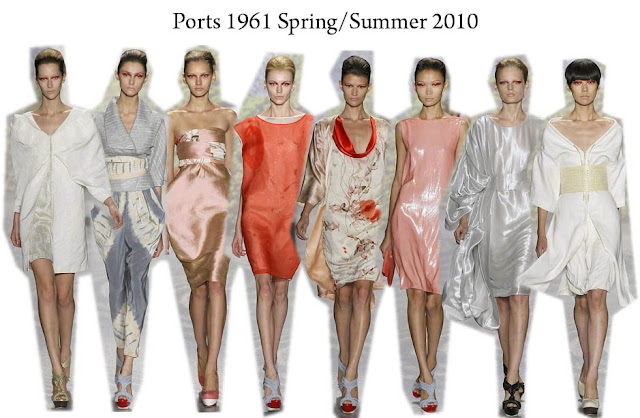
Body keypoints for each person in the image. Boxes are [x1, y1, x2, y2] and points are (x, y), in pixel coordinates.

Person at [517, 59, 632, 416]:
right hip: (567, 219)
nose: (584, 88)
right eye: (578, 82)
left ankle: (592, 379)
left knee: (598, 295)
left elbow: (618, 180)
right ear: (569, 87)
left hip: (603, 220)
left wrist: (619, 226)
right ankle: (587, 364)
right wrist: (541, 231)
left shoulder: (613, 129)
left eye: (590, 82)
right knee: (581, 298)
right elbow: (545, 180)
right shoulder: (555, 129)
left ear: (598, 86)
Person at [9, 48, 122, 408]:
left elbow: (94, 167)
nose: (49, 84)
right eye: (43, 78)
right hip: (35, 216)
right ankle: (58, 375)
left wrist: (108, 201)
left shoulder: (81, 121)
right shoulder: (22, 124)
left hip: (69, 213)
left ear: (63, 77)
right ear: (36, 80)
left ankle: (66, 350)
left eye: (54, 77)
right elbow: (20, 174)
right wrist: (16, 216)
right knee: (44, 291)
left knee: (64, 295)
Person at [444, 57, 544, 416]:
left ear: (526, 85)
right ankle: (510, 362)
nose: (511, 88)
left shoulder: (539, 129)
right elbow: (470, 173)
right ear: (496, 85)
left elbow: (547, 182)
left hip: (526, 216)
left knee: (519, 294)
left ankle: (512, 379)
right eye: (504, 82)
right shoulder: (484, 126)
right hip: (491, 216)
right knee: (501, 298)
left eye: (517, 82)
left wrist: (546, 229)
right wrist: (464, 216)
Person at [296, 55, 389, 414]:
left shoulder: (383, 128)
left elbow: (388, 176)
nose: (354, 92)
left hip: (369, 219)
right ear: (341, 85)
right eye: (349, 85)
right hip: (336, 221)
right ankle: (345, 356)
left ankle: (351, 375)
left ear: (369, 87)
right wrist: (306, 214)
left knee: (363, 293)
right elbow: (317, 175)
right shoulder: (324, 128)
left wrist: (389, 225)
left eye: (360, 86)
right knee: (344, 296)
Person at [380, 58, 467, 413]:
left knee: (435, 301)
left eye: (434, 84)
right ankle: (427, 377)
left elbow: (463, 178)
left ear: (444, 85)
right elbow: (399, 178)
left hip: (441, 220)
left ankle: (428, 363)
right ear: (414, 86)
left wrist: (464, 217)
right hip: (409, 216)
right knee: (414, 295)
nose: (428, 91)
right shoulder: (405, 127)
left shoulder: (459, 125)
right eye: (422, 84)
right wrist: (388, 230)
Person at [233, 56, 313, 411]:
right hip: (257, 215)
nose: (279, 90)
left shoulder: (307, 125)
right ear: (266, 85)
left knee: (282, 291)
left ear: (292, 85)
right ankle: (270, 370)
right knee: (264, 288)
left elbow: (313, 175)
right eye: (273, 83)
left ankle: (272, 357)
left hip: (287, 218)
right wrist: (237, 228)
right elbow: (246, 179)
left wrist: (308, 214)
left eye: (285, 84)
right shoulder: (252, 126)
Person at [91, 49, 166, 409]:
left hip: (145, 208)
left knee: (137, 284)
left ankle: (127, 371)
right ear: (117, 75)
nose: (132, 81)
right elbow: (93, 169)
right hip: (109, 210)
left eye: (138, 75)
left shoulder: (156, 121)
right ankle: (121, 357)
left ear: (145, 79)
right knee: (115, 286)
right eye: (126, 74)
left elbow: (159, 173)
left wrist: (163, 225)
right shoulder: (99, 119)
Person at [165, 50, 236, 408]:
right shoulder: (173, 119)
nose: (198, 81)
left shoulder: (227, 116)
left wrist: (240, 217)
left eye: (203, 75)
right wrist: (163, 221)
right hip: (185, 211)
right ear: (184, 77)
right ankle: (201, 349)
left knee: (217, 284)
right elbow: (167, 175)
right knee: (198, 288)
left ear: (213, 76)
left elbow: (234, 170)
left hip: (220, 207)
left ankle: (211, 368)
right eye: (192, 76)